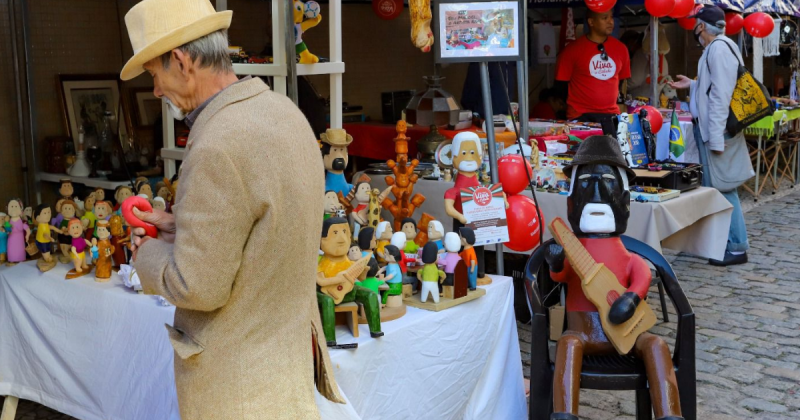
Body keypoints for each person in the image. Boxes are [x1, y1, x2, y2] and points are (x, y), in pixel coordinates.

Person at [122, 0, 342, 417]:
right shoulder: (284, 112)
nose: (155, 90)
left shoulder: (216, 145)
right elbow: (262, 234)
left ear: (182, 62)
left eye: (154, 74)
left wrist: (145, 254)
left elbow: (197, 287)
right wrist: (183, 228)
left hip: (237, 389)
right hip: (284, 371)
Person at [669, 5, 752, 266]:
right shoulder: (716, 49)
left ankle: (737, 246)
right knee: (715, 188)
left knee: (725, 188)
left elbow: (720, 96)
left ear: (702, 26)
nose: (694, 28)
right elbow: (713, 89)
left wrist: (715, 138)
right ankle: (717, 242)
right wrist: (692, 85)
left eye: (696, 24)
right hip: (714, 130)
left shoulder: (718, 49)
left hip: (718, 132)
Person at [554, 9, 631, 134]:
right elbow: (560, 85)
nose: (610, 22)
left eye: (611, 17)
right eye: (604, 18)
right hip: (580, 116)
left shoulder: (621, 49)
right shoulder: (572, 50)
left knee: (611, 152)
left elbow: (621, 81)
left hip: (610, 115)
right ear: (591, 22)